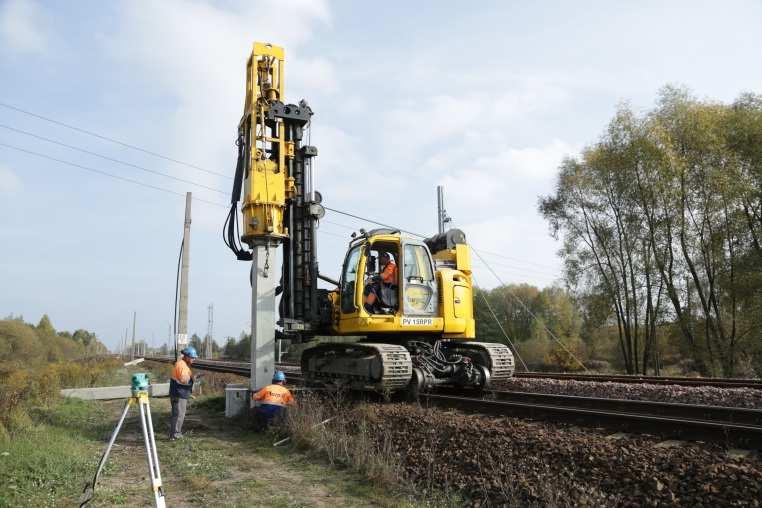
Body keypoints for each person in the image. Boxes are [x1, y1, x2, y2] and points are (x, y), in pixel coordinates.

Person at [168, 346, 197, 440]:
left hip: (179, 392)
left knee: (178, 414)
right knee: (179, 414)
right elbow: (183, 380)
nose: (194, 359)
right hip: (178, 394)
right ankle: (175, 434)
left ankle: (175, 433)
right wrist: (191, 378)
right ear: (187, 357)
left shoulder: (182, 364)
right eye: (193, 357)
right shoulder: (182, 365)